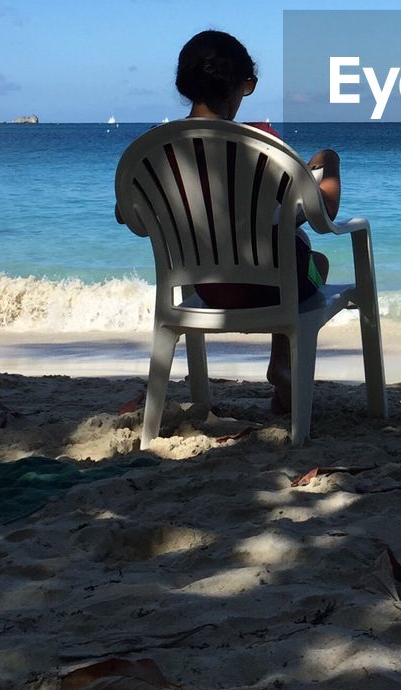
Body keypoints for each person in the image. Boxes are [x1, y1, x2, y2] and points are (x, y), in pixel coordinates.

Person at [120, 29, 342, 414]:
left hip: (206, 290)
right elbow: (323, 215)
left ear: (185, 85)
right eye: (250, 85)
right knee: (314, 263)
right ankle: (284, 362)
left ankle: (278, 370)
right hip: (277, 289)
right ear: (241, 85)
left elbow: (128, 215)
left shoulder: (157, 147)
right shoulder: (260, 140)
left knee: (291, 262)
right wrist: (331, 165)